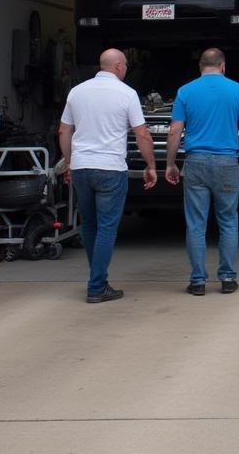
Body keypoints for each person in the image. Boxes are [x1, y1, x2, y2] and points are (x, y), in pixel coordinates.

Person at [58, 48, 157, 304]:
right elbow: (142, 134)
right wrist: (150, 165)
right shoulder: (127, 94)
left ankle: (97, 280)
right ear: (118, 67)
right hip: (110, 168)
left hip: (81, 167)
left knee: (89, 225)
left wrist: (69, 163)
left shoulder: (77, 92)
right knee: (107, 228)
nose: (126, 69)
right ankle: (97, 286)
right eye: (125, 65)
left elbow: (63, 131)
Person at [165, 47, 239, 295]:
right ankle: (227, 278)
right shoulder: (237, 90)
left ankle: (198, 281)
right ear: (223, 66)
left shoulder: (186, 91)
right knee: (228, 220)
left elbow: (174, 130)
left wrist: (171, 163)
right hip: (227, 162)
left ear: (200, 66)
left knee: (195, 223)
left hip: (196, 162)